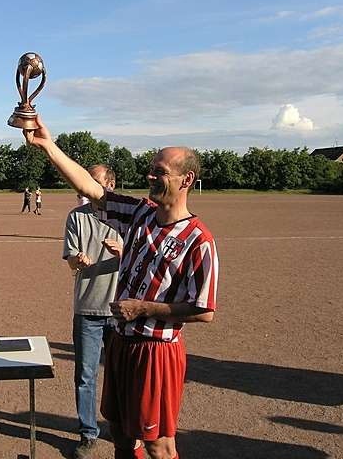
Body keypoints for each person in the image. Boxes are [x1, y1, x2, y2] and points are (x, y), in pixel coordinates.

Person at [24, 118, 218, 459]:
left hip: (156, 350)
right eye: (151, 170)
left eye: (159, 172)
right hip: (121, 343)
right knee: (120, 434)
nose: (150, 177)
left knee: (159, 444)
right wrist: (47, 146)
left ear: (186, 179)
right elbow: (91, 189)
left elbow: (204, 310)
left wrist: (143, 308)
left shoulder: (198, 240)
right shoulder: (141, 213)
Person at [63, 165, 123, 458]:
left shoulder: (125, 218)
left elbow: (142, 258)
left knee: (120, 375)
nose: (86, 185)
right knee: (85, 376)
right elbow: (70, 261)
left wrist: (123, 253)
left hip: (120, 310)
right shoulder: (76, 217)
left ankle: (120, 427)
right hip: (87, 309)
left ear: (109, 185)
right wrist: (77, 260)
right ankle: (88, 433)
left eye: (94, 180)